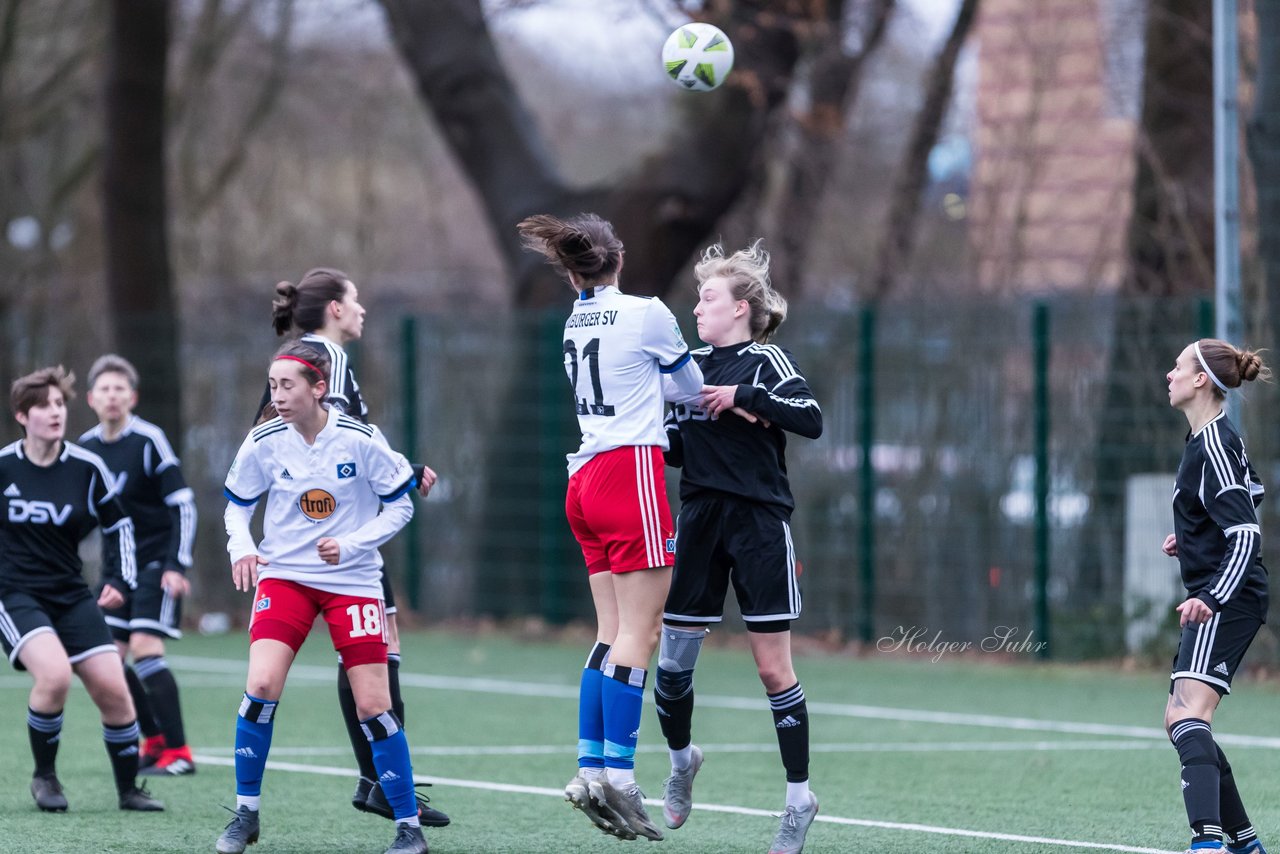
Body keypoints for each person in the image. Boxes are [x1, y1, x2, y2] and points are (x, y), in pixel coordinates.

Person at [517, 212, 704, 842]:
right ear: (617, 259)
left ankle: (590, 766)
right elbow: (689, 385)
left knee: (609, 630)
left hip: (585, 477)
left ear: (573, 275)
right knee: (641, 631)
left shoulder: (575, 318)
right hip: (630, 474)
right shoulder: (647, 312)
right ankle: (621, 777)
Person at [216, 343, 427, 854]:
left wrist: (353, 543)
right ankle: (246, 815)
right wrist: (242, 547)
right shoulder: (264, 440)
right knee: (262, 683)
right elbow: (236, 509)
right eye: (272, 385)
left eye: (288, 385)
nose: (278, 395)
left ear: (319, 389)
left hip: (352, 579)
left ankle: (408, 826)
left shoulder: (360, 439)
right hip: (285, 576)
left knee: (374, 703)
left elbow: (400, 506)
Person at [655, 241, 823, 854]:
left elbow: (810, 419)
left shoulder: (765, 360)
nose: (697, 307)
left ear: (741, 308)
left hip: (758, 523)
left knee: (772, 667)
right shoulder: (685, 366)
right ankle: (681, 761)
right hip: (699, 520)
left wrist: (744, 399)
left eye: (708, 298)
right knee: (671, 666)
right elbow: (672, 446)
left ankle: (798, 800)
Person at [267, 267, 447, 828]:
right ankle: (382, 780)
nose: (363, 308)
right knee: (373, 653)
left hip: (308, 531)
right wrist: (401, 473)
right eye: (356, 299)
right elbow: (340, 432)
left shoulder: (298, 355)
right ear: (336, 309)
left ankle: (377, 777)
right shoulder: (327, 356)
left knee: (365, 655)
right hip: (338, 538)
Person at [0, 365, 164, 813]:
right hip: (15, 595)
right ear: (22, 415)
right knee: (53, 676)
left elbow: (120, 526)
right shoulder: (4, 467)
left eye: (59, 405)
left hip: (72, 594)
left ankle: (129, 789)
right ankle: (45, 777)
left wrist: (117, 580)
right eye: (44, 406)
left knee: (114, 689)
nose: (55, 413)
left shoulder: (87, 467)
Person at [1161, 339, 1270, 854]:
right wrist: (1194, 535)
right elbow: (1254, 493)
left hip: (1228, 596)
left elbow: (1246, 532)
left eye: (1178, 366)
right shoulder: (1212, 440)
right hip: (1227, 591)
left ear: (1201, 379)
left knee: (1188, 717)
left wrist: (1213, 595)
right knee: (1180, 719)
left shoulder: (1214, 444)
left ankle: (1208, 843)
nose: (1170, 373)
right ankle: (1244, 843)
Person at [79, 354, 198, 777]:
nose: (112, 397)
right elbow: (79, 516)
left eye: (120, 389)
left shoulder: (149, 440)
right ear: (92, 399)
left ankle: (180, 753)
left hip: (154, 563)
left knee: (146, 650)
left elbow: (183, 505)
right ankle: (156, 743)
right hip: (117, 573)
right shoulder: (85, 450)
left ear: (133, 397)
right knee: (107, 662)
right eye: (105, 390)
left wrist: (176, 565)